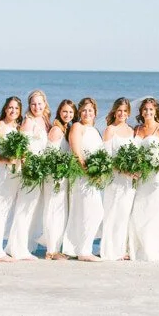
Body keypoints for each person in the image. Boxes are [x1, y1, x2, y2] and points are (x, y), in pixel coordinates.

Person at [6, 90, 50, 260]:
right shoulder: (28, 122)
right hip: (30, 171)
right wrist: (29, 169)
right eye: (33, 104)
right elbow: (23, 149)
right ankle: (17, 248)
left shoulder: (44, 120)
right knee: (24, 208)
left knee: (32, 210)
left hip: (40, 170)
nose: (36, 107)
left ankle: (23, 245)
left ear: (44, 104)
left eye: (39, 103)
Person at [62, 97, 105, 262]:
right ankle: (83, 251)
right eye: (84, 110)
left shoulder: (94, 130)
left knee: (89, 212)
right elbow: (76, 152)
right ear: (79, 112)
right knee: (91, 212)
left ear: (95, 112)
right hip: (82, 176)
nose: (87, 113)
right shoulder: (77, 127)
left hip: (93, 177)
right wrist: (87, 171)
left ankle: (79, 248)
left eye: (90, 110)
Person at [128, 98, 159, 261]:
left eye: (151, 109)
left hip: (155, 178)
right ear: (141, 111)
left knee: (154, 210)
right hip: (140, 177)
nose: (148, 112)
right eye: (145, 109)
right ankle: (138, 245)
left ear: (156, 111)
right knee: (138, 209)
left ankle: (154, 246)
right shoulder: (137, 129)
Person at [39, 99, 76, 260]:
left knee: (60, 211)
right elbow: (49, 155)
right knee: (53, 210)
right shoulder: (56, 130)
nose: (67, 114)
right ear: (59, 112)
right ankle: (51, 250)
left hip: (62, 176)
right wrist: (56, 173)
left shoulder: (66, 129)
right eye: (64, 111)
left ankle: (55, 248)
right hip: (54, 176)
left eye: (70, 112)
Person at [0, 96, 23, 262]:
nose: (13, 111)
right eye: (10, 107)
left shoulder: (17, 128)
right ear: (5, 109)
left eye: (16, 108)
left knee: (6, 211)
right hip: (0, 172)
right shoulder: (0, 126)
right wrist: (6, 160)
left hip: (13, 174)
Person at [100, 98, 136, 261]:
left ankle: (121, 248)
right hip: (115, 178)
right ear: (114, 112)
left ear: (128, 113)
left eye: (125, 111)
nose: (122, 113)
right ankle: (110, 250)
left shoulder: (131, 130)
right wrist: (123, 170)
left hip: (130, 181)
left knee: (124, 213)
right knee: (113, 212)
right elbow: (106, 157)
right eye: (119, 110)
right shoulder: (110, 130)